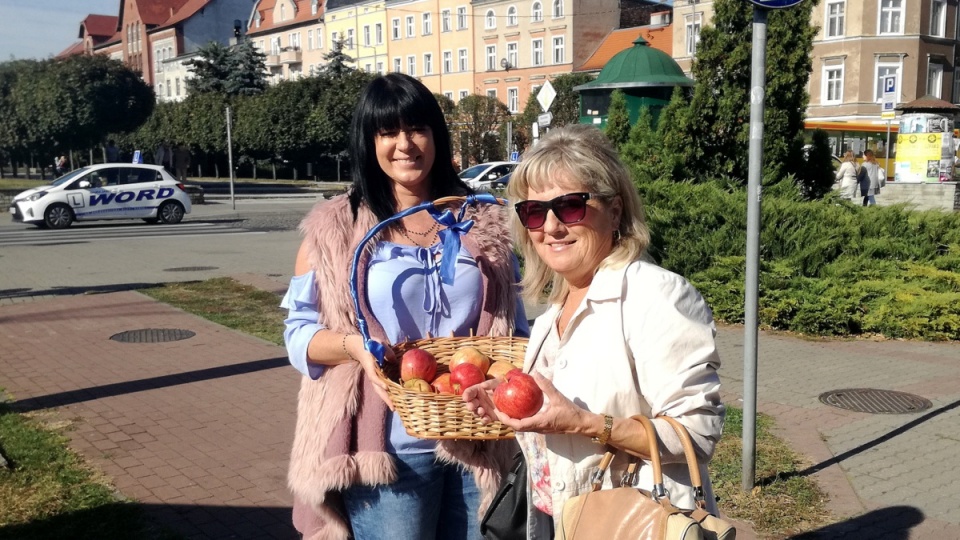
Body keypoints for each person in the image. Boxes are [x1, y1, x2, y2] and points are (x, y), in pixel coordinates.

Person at [280, 72, 529, 540]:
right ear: (369, 142)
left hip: (479, 433)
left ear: (437, 135)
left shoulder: (480, 221)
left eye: (416, 128)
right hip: (389, 448)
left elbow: (514, 327)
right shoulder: (336, 229)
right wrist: (355, 347)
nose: (404, 144)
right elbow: (298, 334)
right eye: (387, 131)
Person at [463, 124, 725, 538]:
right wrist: (508, 405)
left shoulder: (655, 296)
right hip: (562, 519)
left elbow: (696, 435)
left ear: (615, 211)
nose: (549, 227)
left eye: (569, 207)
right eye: (533, 212)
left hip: (631, 522)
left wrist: (585, 422)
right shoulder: (553, 312)